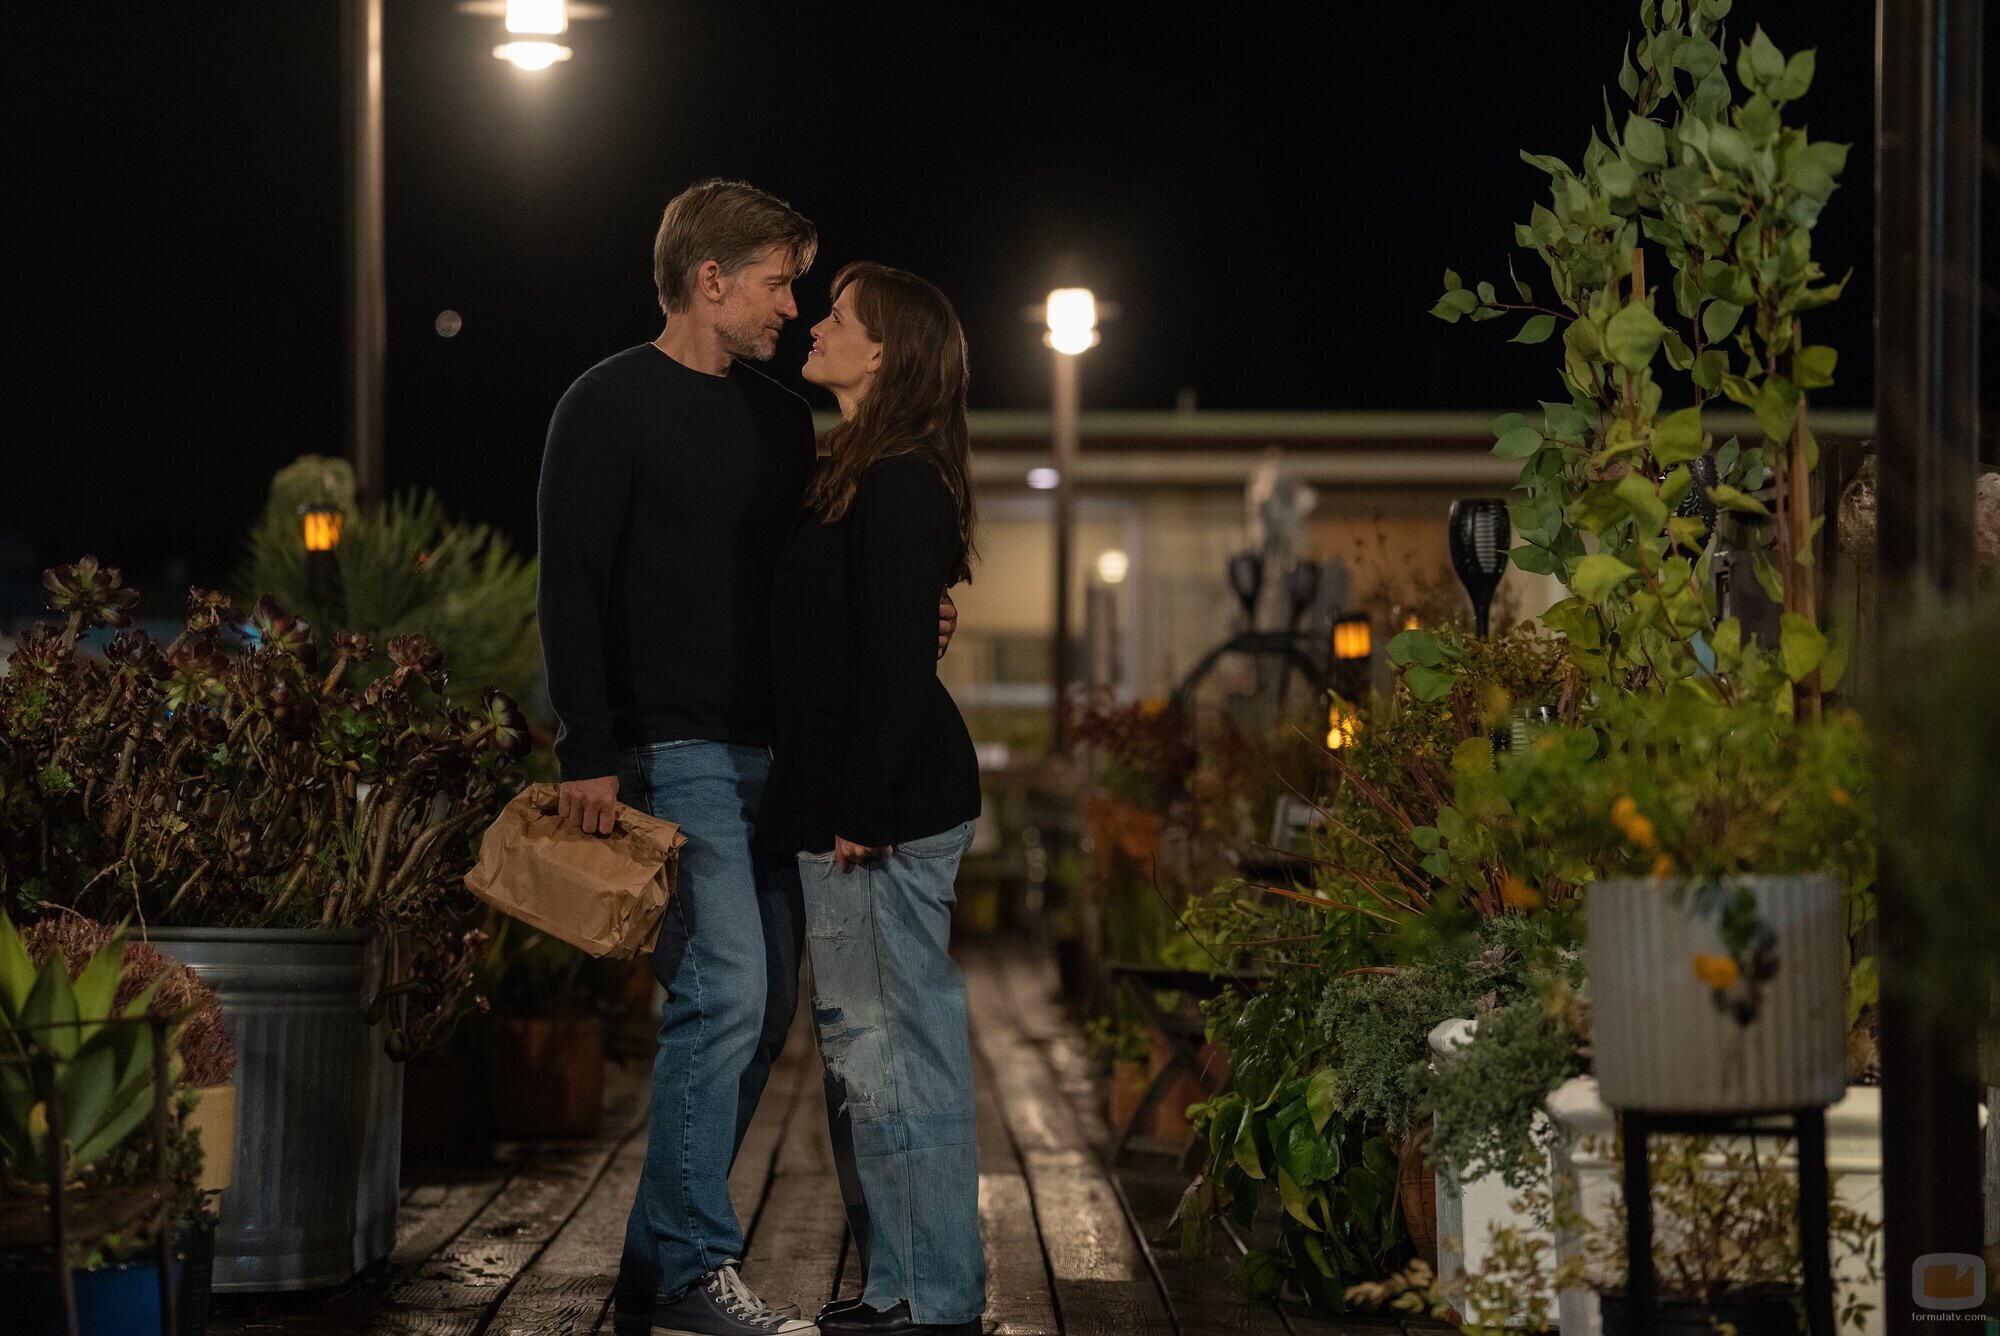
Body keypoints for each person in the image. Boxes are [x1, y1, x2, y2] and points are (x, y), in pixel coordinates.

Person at [538, 181, 956, 1336]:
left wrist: (909, 611)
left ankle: (649, 1264)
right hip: (668, 757)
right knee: (723, 990)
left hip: (777, 761)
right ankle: (687, 1274)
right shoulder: (603, 404)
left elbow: (820, 578)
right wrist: (589, 752)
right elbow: (567, 589)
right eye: (776, 280)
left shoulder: (781, 420)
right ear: (708, 280)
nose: (792, 303)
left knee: (762, 1005)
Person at [761, 262, 985, 1336]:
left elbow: (896, 662)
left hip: (883, 816)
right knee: (866, 1058)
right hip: (850, 809)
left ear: (887, 352)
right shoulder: (855, 469)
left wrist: (857, 809)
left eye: (838, 315)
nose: (816, 322)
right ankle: (901, 1285)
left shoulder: (896, 481)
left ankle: (931, 1297)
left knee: (899, 1058)